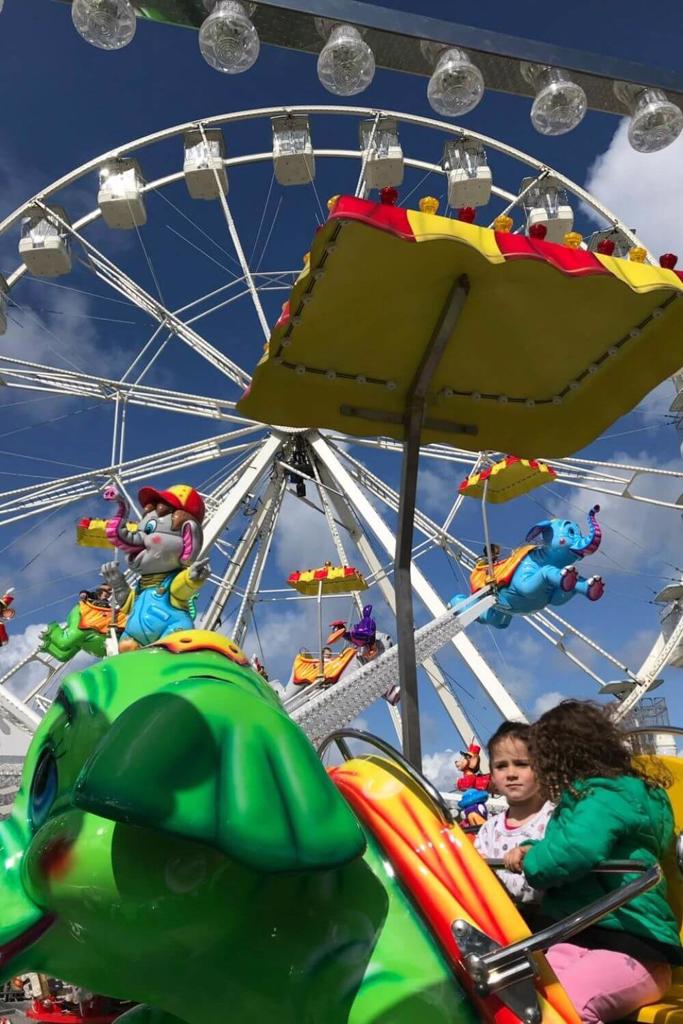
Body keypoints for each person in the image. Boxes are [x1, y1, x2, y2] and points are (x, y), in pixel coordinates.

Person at [503, 700, 682, 1024]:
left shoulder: (601, 797)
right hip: (590, 938)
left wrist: (534, 864)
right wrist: (534, 848)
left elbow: (575, 850)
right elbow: (566, 844)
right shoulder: (607, 799)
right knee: (523, 994)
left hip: (635, 949)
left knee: (563, 1010)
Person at [474, 721, 553, 904]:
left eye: (521, 764)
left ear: (541, 769)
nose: (511, 774)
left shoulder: (556, 819)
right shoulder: (488, 830)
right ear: (492, 776)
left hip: (548, 921)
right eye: (501, 766)